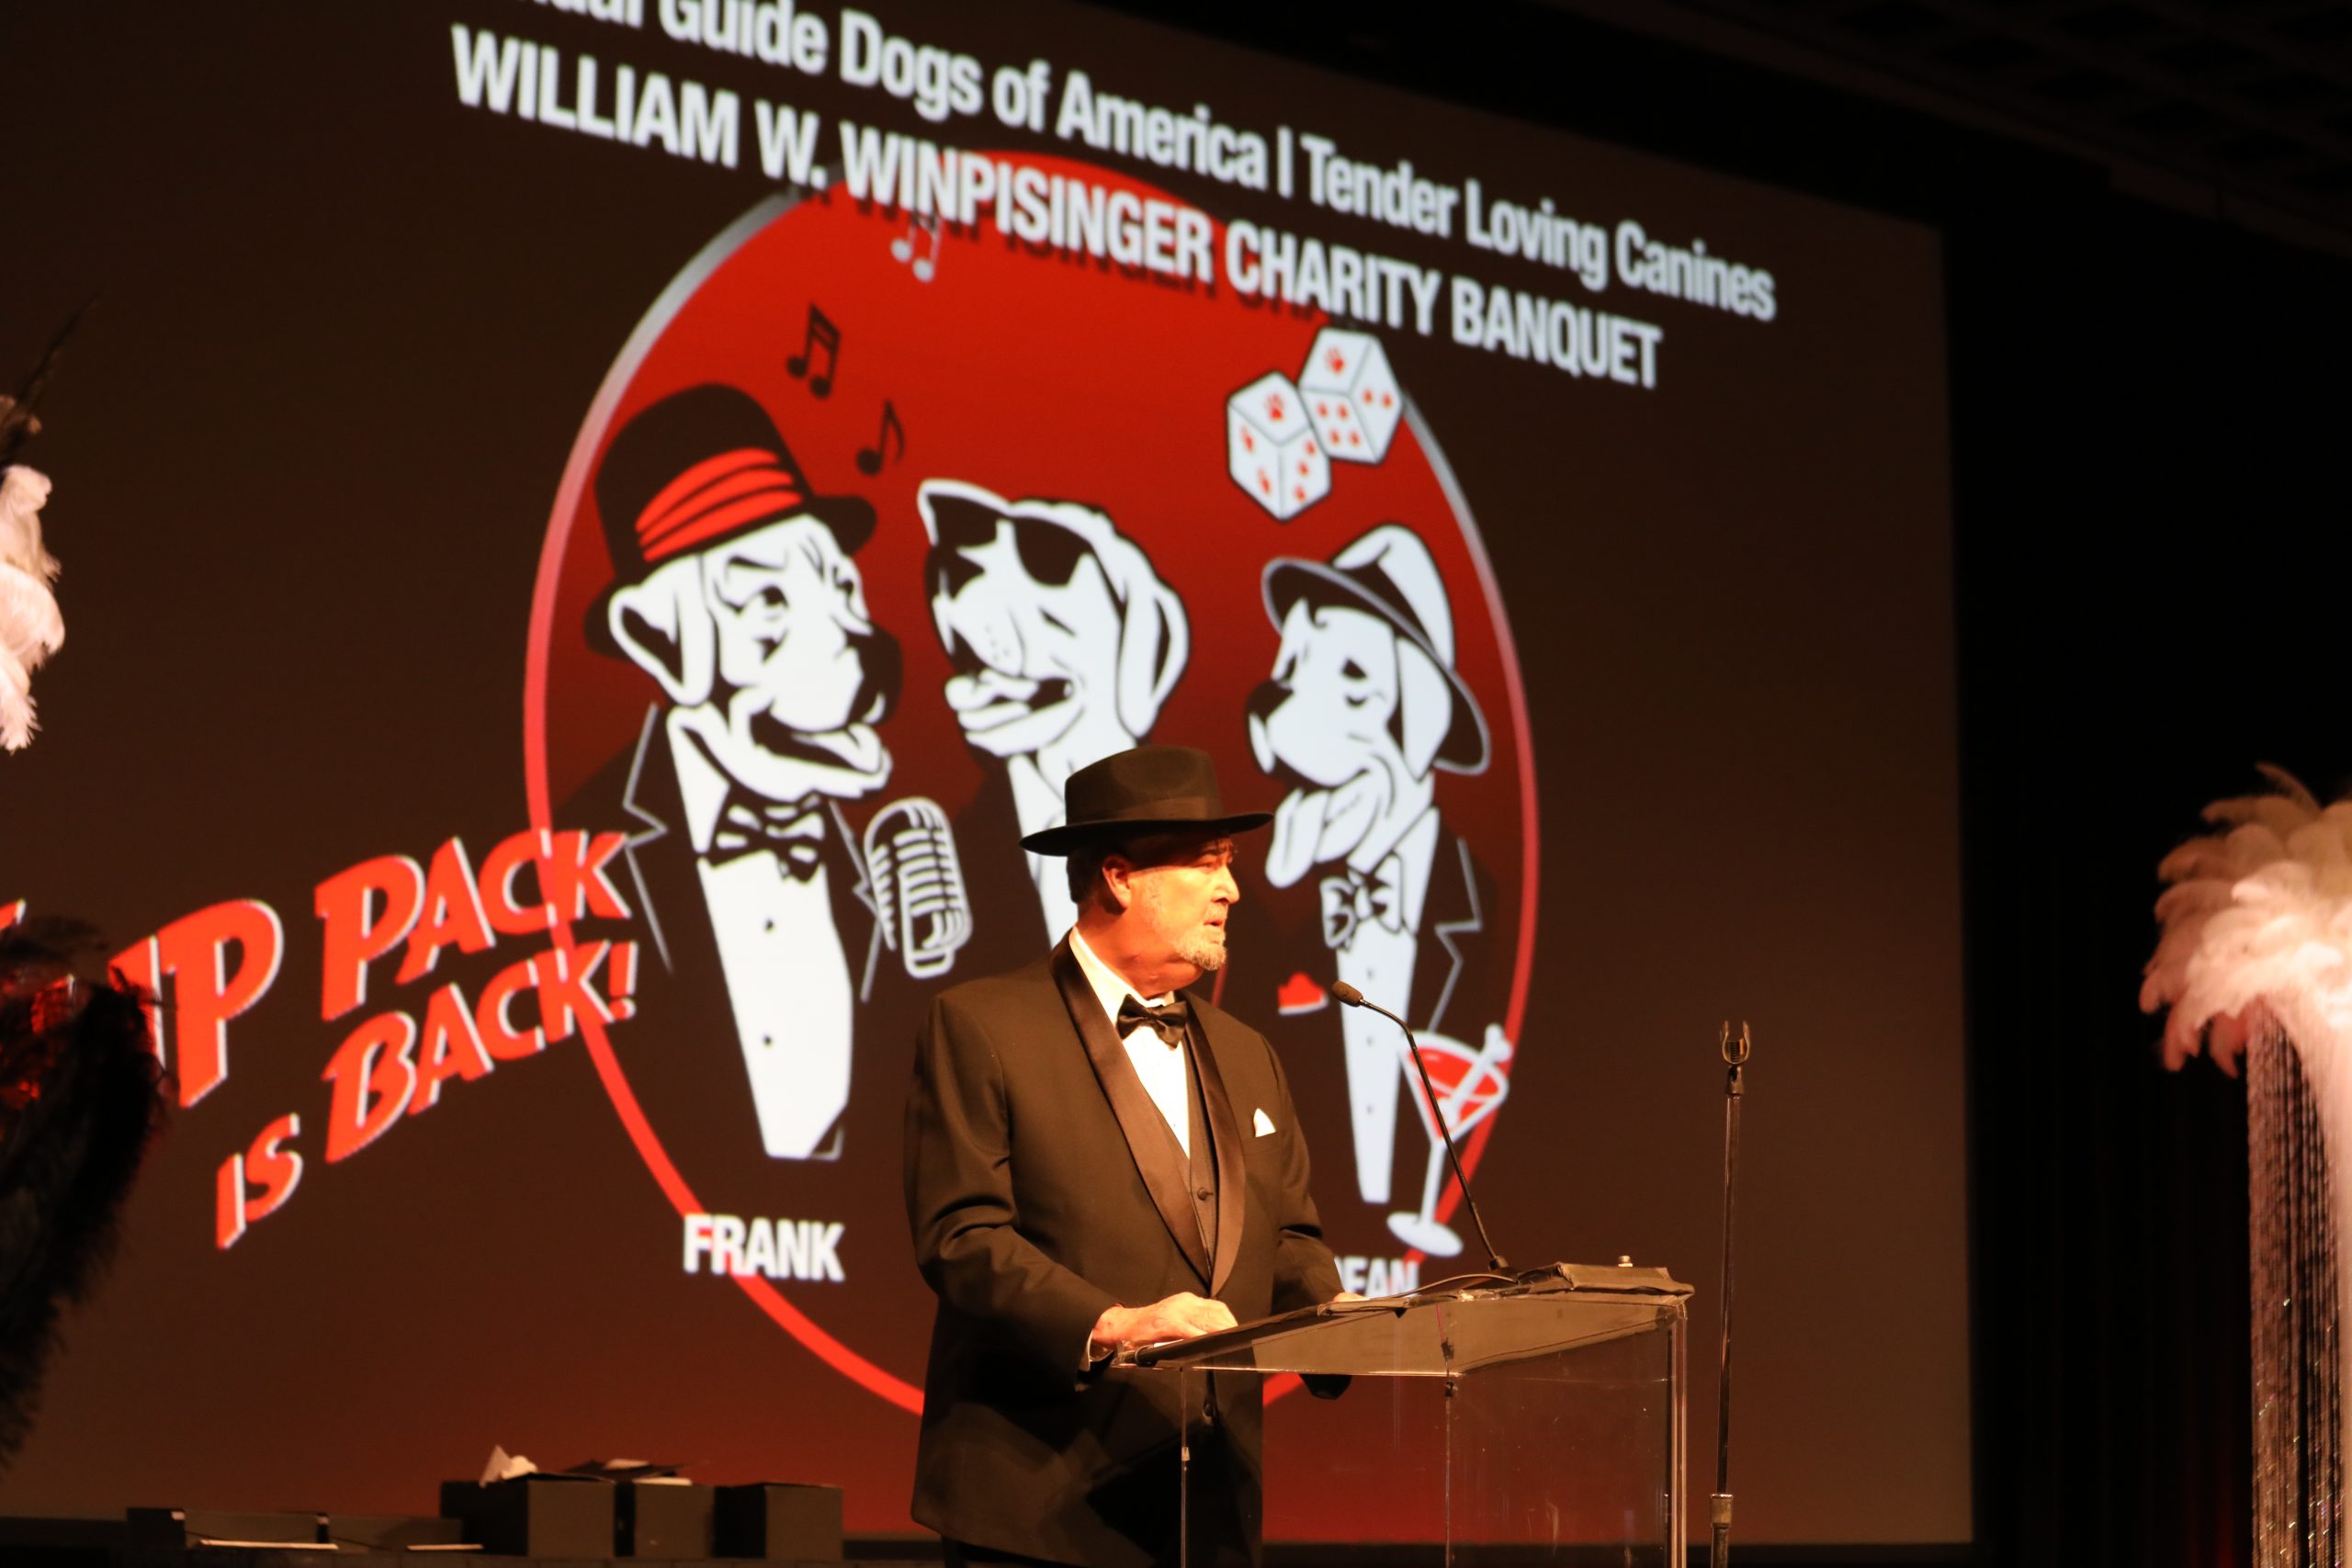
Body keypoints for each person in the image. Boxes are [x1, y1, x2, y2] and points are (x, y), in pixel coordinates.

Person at [904, 744, 1346, 1568]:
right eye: (1206, 863)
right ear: (1118, 877)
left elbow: (1288, 1237)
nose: (1231, 888)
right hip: (1040, 1510)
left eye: (1229, 862)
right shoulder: (983, 1026)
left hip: (1209, 1514)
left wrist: (1341, 1317)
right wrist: (1114, 1324)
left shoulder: (1248, 1052)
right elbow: (962, 1239)